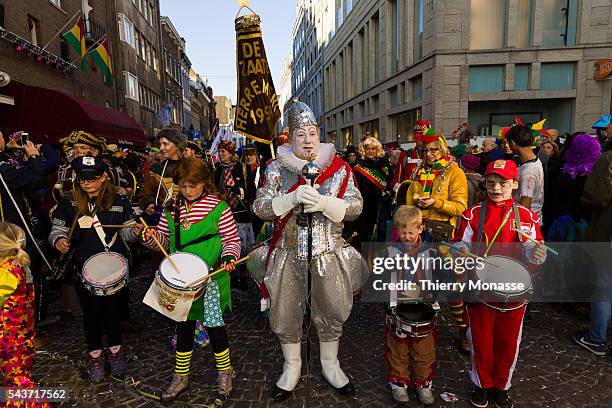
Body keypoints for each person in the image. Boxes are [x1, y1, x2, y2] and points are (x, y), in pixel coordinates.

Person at [252, 101, 364, 401]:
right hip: (288, 253)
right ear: (290, 138)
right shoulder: (276, 169)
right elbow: (260, 206)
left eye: (312, 133)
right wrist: (289, 199)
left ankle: (330, 363)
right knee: (285, 310)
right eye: (300, 134)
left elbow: (355, 206)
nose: (307, 140)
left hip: (328, 253)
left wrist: (326, 204)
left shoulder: (340, 169)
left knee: (332, 308)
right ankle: (292, 365)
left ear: (320, 135)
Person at [137, 158, 240, 400]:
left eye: (193, 185)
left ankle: (225, 371)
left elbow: (231, 240)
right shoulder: (172, 207)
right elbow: (163, 240)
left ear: (204, 182)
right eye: (182, 185)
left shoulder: (219, 207)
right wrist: (150, 237)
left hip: (211, 279)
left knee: (215, 328)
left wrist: (229, 256)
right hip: (181, 283)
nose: (188, 191)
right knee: (183, 329)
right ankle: (180, 376)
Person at [454, 159, 547, 408]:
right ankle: (481, 384)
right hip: (480, 287)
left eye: (503, 183)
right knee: (480, 339)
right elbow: (460, 244)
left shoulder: (526, 215)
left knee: (508, 341)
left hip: (514, 290)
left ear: (515, 184)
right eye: (491, 182)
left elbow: (532, 246)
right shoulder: (472, 213)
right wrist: (460, 252)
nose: (496, 188)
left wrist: (537, 253)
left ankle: (502, 386)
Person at [49, 156, 138, 383]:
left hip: (115, 266)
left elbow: (127, 230)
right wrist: (59, 240)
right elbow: (56, 230)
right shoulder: (69, 201)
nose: (86, 183)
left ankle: (116, 352)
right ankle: (96, 356)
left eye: (92, 178)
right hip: (83, 268)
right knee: (91, 315)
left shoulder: (118, 200)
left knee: (113, 312)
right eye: (82, 179)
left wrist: (136, 232)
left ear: (104, 177)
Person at [384, 205, 436, 405]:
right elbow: (378, 279)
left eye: (411, 232)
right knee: (397, 348)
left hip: (423, 307)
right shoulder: (389, 251)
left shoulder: (431, 251)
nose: (406, 236)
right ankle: (399, 383)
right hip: (398, 307)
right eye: (403, 232)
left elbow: (441, 277)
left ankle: (423, 383)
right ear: (397, 230)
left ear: (420, 229)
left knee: (424, 349)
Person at [0, 222, 51, 408]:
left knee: (18, 384)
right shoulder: (17, 266)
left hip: (9, 343)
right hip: (21, 339)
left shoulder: (6, 274)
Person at [572, 147, 612, 356]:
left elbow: (596, 196)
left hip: (608, 232)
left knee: (604, 285)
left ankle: (597, 337)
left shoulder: (609, 158)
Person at [352, 136, 391, 247]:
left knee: (382, 234)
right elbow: (360, 190)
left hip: (382, 207)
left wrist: (388, 191)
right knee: (366, 236)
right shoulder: (359, 168)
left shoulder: (383, 165)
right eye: (368, 148)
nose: (370, 151)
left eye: (373, 149)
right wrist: (379, 193)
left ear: (377, 150)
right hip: (367, 209)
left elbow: (388, 182)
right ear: (363, 150)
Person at [505, 124, 545, 224]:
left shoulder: (529, 171)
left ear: (513, 143)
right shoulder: (533, 160)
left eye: (508, 143)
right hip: (533, 218)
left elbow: (525, 206)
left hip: (527, 224)